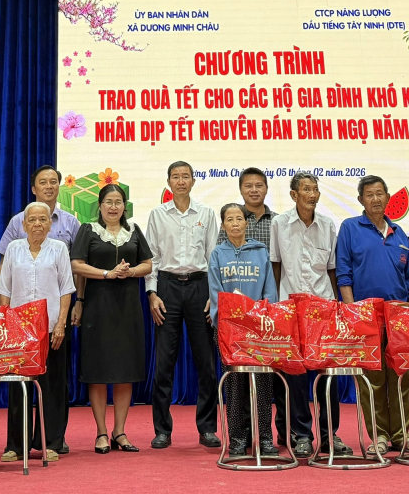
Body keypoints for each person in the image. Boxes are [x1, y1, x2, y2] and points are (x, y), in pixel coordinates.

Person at [0, 165, 82, 453]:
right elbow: (5, 289)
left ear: (50, 224)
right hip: (19, 328)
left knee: (52, 385)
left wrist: (61, 324)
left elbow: (67, 288)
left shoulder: (59, 249)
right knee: (19, 385)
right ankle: (16, 446)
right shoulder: (14, 249)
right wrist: (6, 324)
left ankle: (50, 442)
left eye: (43, 220)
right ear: (23, 224)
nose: (38, 225)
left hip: (52, 327)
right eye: (32, 220)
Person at [336, 175, 409, 455]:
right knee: (371, 380)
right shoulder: (350, 227)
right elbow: (343, 273)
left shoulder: (399, 232)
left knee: (401, 377)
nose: (375, 199)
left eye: (380, 193)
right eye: (369, 194)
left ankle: (402, 435)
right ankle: (380, 436)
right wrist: (352, 311)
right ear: (361, 200)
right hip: (365, 316)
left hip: (400, 316)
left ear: (387, 198)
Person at [270, 172, 347, 458]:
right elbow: (276, 265)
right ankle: (301, 434)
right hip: (290, 308)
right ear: (294, 195)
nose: (312, 194)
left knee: (328, 374)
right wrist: (276, 306)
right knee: (296, 375)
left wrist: (337, 305)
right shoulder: (279, 224)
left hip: (323, 308)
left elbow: (331, 269)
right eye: (306, 189)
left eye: (315, 189)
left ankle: (330, 435)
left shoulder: (327, 225)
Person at [71, 184, 152, 453]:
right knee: (98, 371)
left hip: (128, 308)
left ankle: (120, 431)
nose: (113, 207)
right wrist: (107, 274)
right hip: (97, 306)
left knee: (124, 371)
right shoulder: (88, 230)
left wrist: (130, 272)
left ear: (124, 206)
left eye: (118, 202)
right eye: (108, 202)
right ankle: (101, 432)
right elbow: (77, 265)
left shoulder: (134, 231)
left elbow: (148, 264)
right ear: (100, 205)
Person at [145, 162, 219, 449]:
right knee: (164, 363)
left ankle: (207, 428)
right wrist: (152, 293)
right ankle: (162, 430)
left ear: (193, 181)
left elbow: (213, 256)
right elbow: (152, 257)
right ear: (168, 182)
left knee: (206, 363)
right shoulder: (158, 214)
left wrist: (214, 294)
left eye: (185, 176)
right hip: (167, 287)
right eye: (175, 177)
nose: (180, 181)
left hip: (200, 287)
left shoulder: (206, 213)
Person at [209, 203, 279, 456]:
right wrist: (226, 321)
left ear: (246, 223)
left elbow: (269, 290)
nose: (235, 223)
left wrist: (262, 318)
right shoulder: (217, 254)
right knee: (235, 385)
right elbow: (216, 292)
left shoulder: (261, 252)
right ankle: (237, 439)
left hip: (258, 328)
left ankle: (265, 438)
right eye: (230, 219)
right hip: (229, 330)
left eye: (239, 218)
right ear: (223, 225)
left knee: (263, 384)